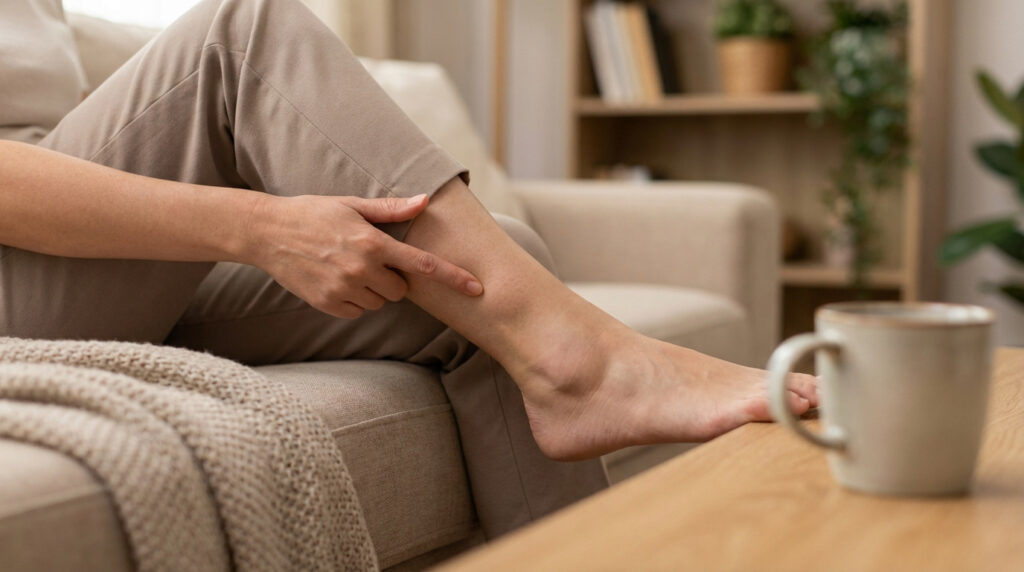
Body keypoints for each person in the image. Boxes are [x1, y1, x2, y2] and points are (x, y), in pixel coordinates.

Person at [0, 0, 817, 537]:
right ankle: (588, 365)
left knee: (475, 277)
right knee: (243, 29)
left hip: (82, 264)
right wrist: (260, 226)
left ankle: (571, 473)